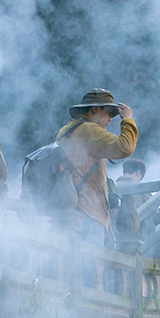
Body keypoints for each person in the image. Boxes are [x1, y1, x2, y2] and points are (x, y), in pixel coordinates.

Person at [50, 88, 138, 243]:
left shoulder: (67, 130)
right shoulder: (89, 129)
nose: (111, 119)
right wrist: (128, 119)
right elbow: (125, 147)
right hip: (87, 213)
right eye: (109, 113)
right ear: (95, 109)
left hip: (69, 210)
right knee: (89, 265)